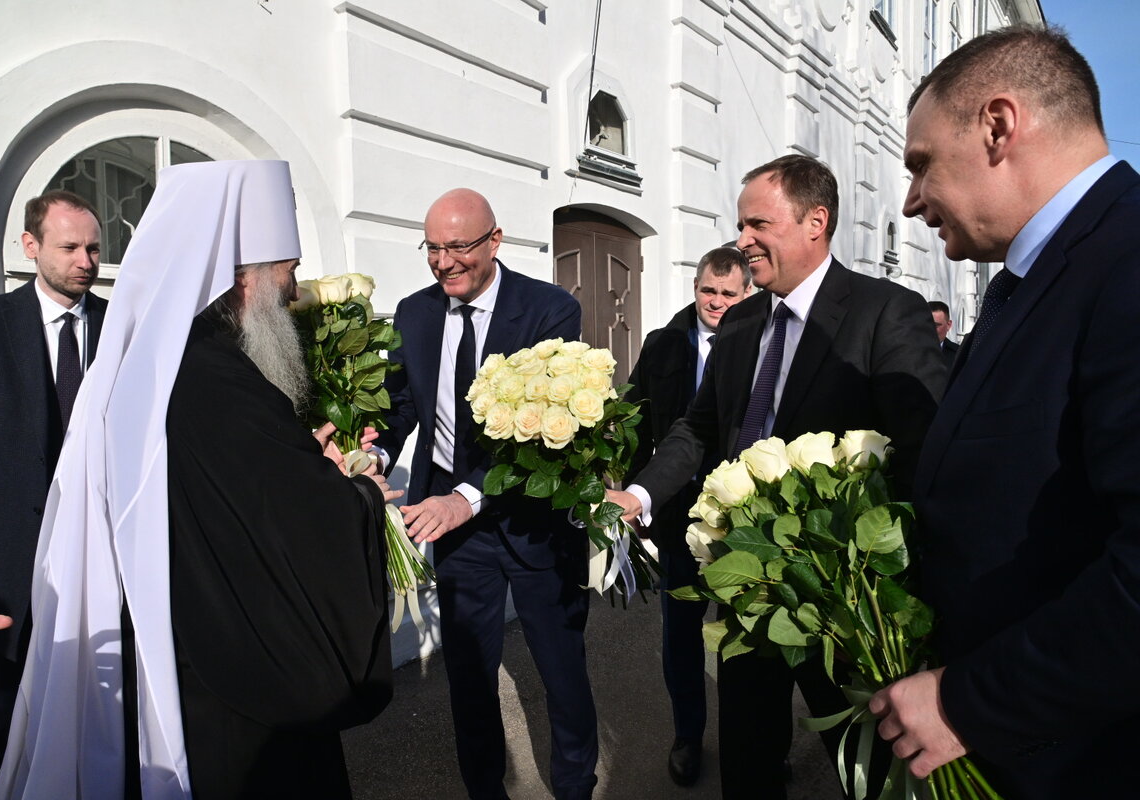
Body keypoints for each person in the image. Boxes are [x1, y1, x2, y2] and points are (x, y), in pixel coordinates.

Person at [0, 160, 395, 800]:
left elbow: (242, 484)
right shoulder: (217, 376)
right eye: (284, 273)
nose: (291, 293)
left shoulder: (176, 358)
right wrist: (361, 494)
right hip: (235, 670)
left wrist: (296, 458)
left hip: (187, 639)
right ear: (243, 280)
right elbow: (297, 518)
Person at [607, 154, 946, 799]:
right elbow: (699, 429)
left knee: (867, 767)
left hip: (844, 599)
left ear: (815, 221)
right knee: (748, 757)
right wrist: (640, 491)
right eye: (741, 224)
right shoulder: (739, 323)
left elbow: (924, 453)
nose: (743, 241)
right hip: (747, 587)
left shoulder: (884, 313)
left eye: (757, 222)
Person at [868, 26, 1140, 798]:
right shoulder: (1030, 275)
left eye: (921, 164)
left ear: (997, 126)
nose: (913, 200)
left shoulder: (1127, 262)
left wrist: (967, 702)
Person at [377, 188, 596, 800]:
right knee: (470, 679)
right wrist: (371, 451)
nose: (444, 262)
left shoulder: (550, 310)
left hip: (535, 523)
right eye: (434, 248)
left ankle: (575, 788)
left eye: (459, 247)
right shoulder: (414, 313)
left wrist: (467, 497)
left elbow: (544, 441)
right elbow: (400, 407)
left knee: (561, 675)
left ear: (494, 242)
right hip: (455, 529)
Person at [0, 190, 107, 798]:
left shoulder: (119, 325)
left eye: (93, 247)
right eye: (70, 247)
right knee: (1, 714)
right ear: (30, 246)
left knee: (93, 702)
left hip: (96, 557)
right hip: (5, 560)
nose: (85, 260)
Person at [624, 246, 751, 787]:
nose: (716, 302)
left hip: (745, 520)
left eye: (728, 293)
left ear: (746, 294)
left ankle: (755, 740)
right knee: (681, 636)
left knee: (746, 639)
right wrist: (632, 496)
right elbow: (636, 420)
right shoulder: (663, 344)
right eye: (708, 291)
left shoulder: (763, 342)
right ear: (694, 287)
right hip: (677, 516)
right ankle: (687, 736)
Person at [928, 300, 960, 366]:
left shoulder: (960, 355)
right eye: (927, 324)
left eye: (936, 325)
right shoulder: (907, 351)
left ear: (948, 325)